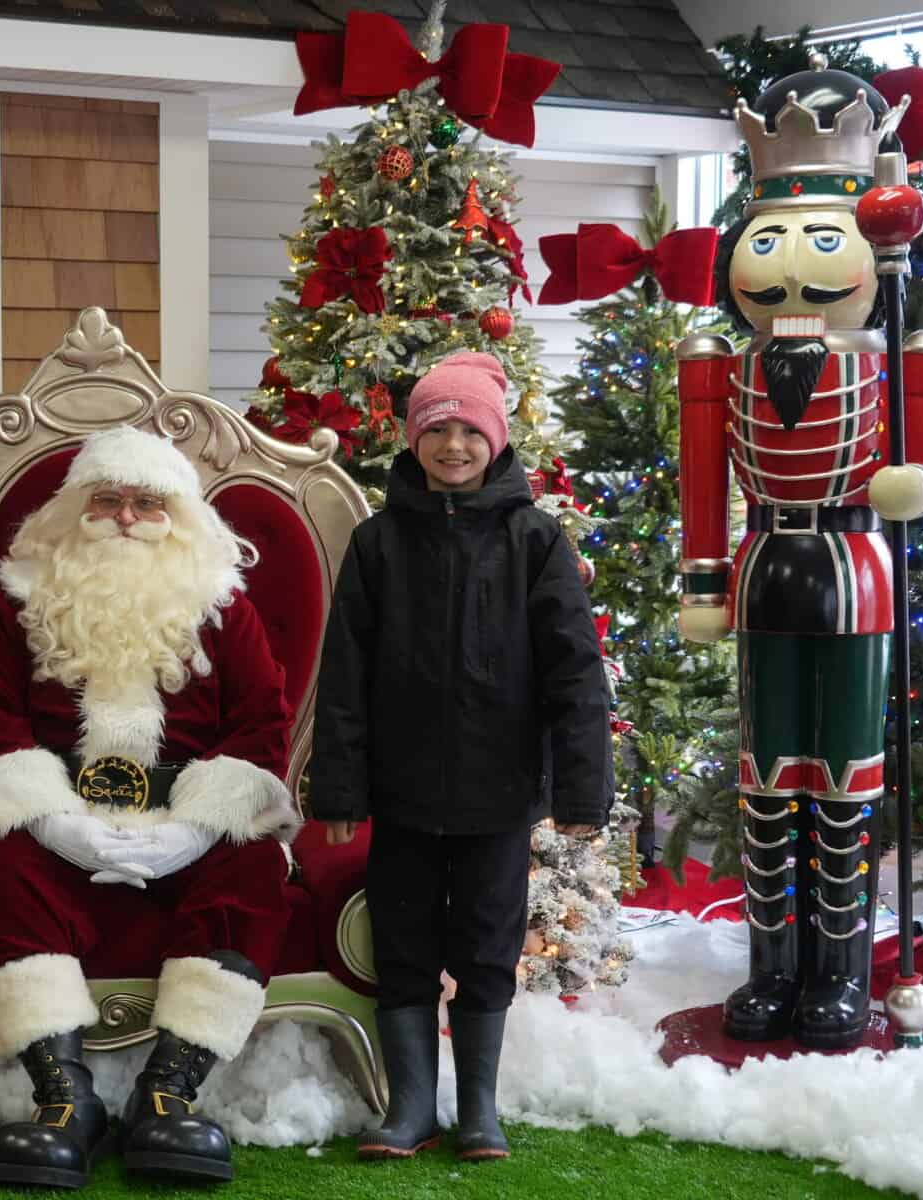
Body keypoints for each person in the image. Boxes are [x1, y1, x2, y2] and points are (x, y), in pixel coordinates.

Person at [677, 65, 923, 1049]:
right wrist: (703, 579)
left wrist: (916, 487)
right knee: (766, 774)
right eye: (770, 240)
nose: (791, 268)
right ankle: (771, 968)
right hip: (764, 570)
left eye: (822, 239)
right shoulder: (721, 364)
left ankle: (836, 974)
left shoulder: (904, 352)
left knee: (844, 774)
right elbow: (703, 481)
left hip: (855, 577)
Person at [0, 426, 299, 1189]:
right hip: (59, 822)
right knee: (4, 855)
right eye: (108, 501)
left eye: (148, 503)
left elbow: (261, 723)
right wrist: (54, 822)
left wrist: (195, 829)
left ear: (180, 517)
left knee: (252, 862)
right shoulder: (21, 598)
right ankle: (64, 1098)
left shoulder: (222, 604)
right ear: (76, 510)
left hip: (186, 825)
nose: (128, 518)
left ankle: (167, 1093)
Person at [310, 351, 612, 1162]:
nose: (453, 446)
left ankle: (478, 1108)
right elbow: (344, 676)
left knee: (485, 947)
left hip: (498, 794)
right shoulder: (377, 544)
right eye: (437, 430)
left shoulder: (535, 540)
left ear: (496, 440)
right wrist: (339, 790)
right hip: (402, 791)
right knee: (404, 946)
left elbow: (575, 671)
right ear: (413, 440)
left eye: (469, 432)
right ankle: (410, 1106)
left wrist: (582, 791)